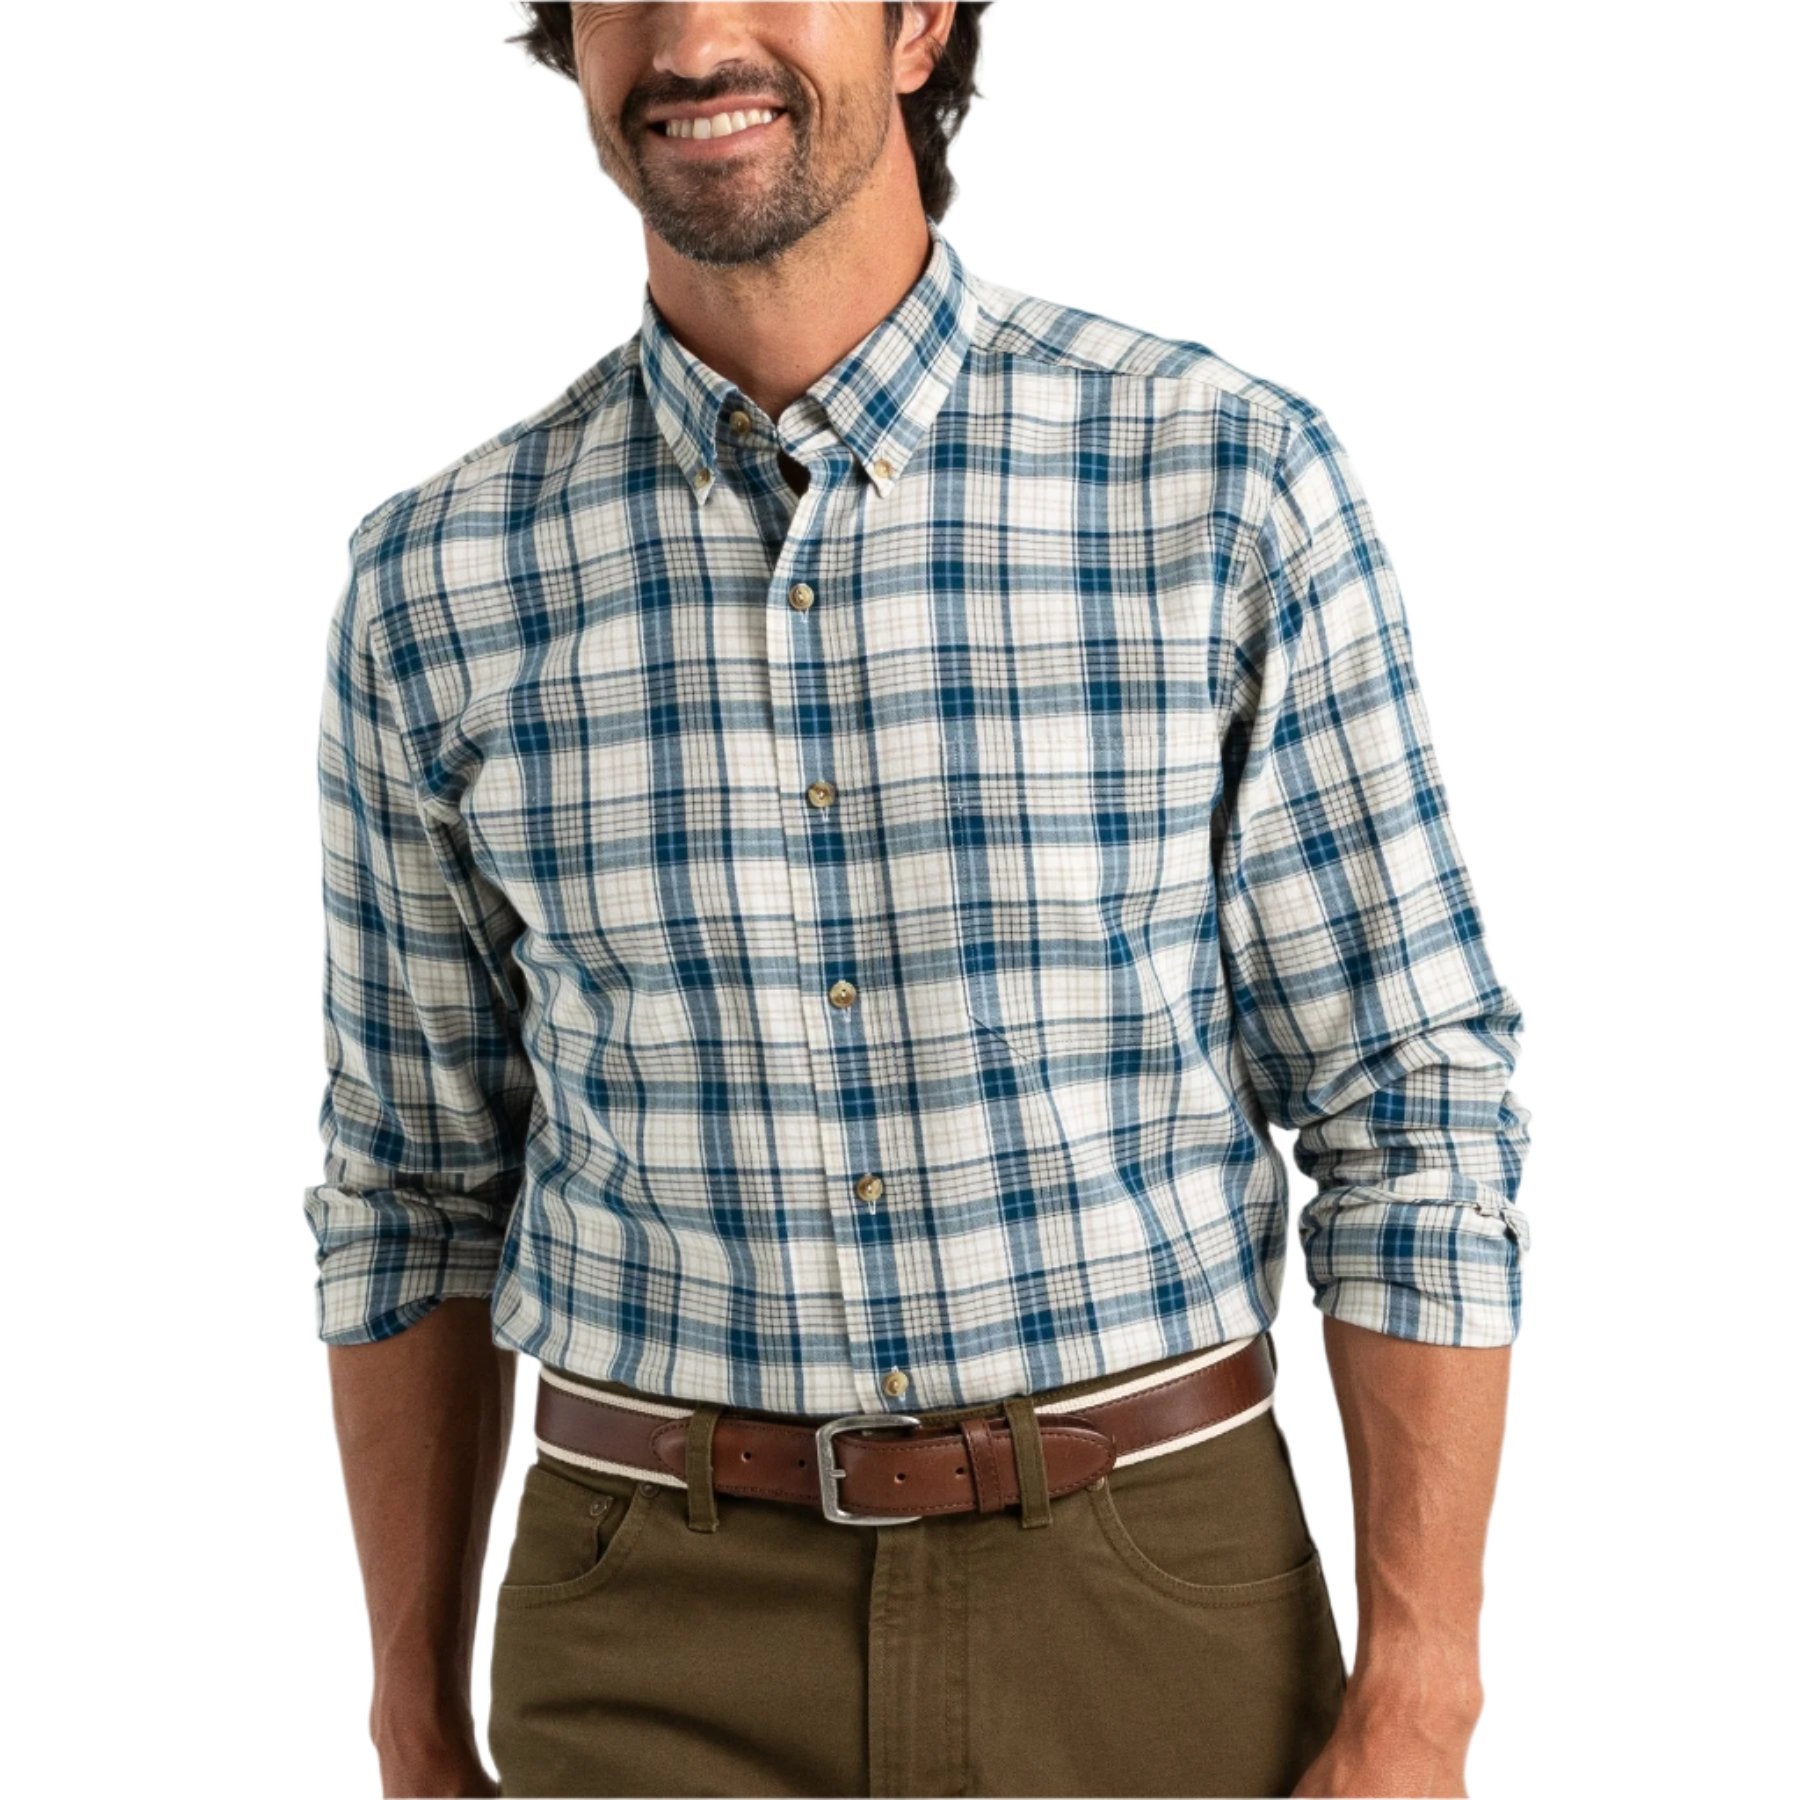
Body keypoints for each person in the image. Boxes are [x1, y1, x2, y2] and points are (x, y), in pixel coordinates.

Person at [302, 5, 1532, 1796]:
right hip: (642, 1637)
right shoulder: (438, 584)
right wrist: (411, 1725)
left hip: (1149, 1606)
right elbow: (412, 1186)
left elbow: (1408, 1101)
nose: (693, 36)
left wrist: (1422, 1695)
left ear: (920, 24)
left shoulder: (1217, 478)